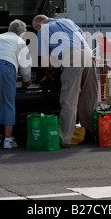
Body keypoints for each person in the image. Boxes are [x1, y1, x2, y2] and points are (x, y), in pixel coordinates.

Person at [32, 14, 98, 148]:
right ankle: (91, 134)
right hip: (88, 54)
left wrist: (49, 72)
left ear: (38, 25)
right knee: (89, 97)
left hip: (72, 58)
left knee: (69, 99)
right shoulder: (68, 21)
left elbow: (45, 63)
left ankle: (64, 138)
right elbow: (83, 37)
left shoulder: (43, 30)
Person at [0, 20, 32, 150]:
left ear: (8, 30)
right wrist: (27, 80)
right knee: (7, 101)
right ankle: (8, 140)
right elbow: (25, 67)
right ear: (22, 34)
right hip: (6, 66)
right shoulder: (20, 42)